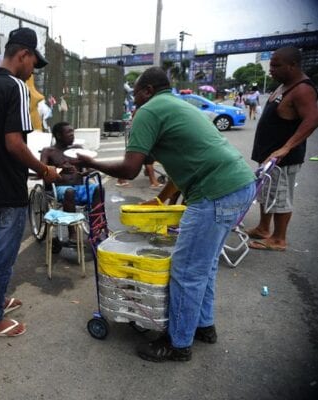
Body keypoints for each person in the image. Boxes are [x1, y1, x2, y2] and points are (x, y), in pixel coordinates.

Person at [73, 67, 257, 362]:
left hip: (215, 192)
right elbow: (181, 163)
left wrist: (91, 162)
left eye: (136, 94)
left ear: (147, 90)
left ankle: (178, 343)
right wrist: (160, 198)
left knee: (185, 271)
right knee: (204, 267)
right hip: (238, 185)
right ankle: (203, 327)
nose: (134, 102)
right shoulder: (176, 106)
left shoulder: (150, 110)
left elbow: (130, 168)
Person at [0, 27, 60, 338]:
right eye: (33, 63)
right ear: (23, 55)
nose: (33, 70)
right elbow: (15, 144)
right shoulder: (16, 87)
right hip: (5, 188)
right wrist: (44, 170)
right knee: (3, 257)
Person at [247, 47, 318, 252]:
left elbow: (312, 119)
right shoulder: (284, 85)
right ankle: (263, 228)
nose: (271, 70)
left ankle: (278, 239)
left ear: (292, 65)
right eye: (271, 65)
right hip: (269, 155)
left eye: (276, 66)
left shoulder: (303, 89)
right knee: (267, 192)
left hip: (283, 159)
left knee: (280, 196)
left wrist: (286, 147)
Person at [40, 121, 101, 240]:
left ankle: (96, 227)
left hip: (79, 187)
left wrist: (84, 173)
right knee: (69, 191)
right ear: (58, 135)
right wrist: (59, 169)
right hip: (59, 188)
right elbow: (42, 170)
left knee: (98, 188)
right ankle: (72, 232)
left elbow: (90, 168)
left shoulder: (78, 149)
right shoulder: (48, 151)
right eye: (68, 132)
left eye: (72, 132)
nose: (72, 135)